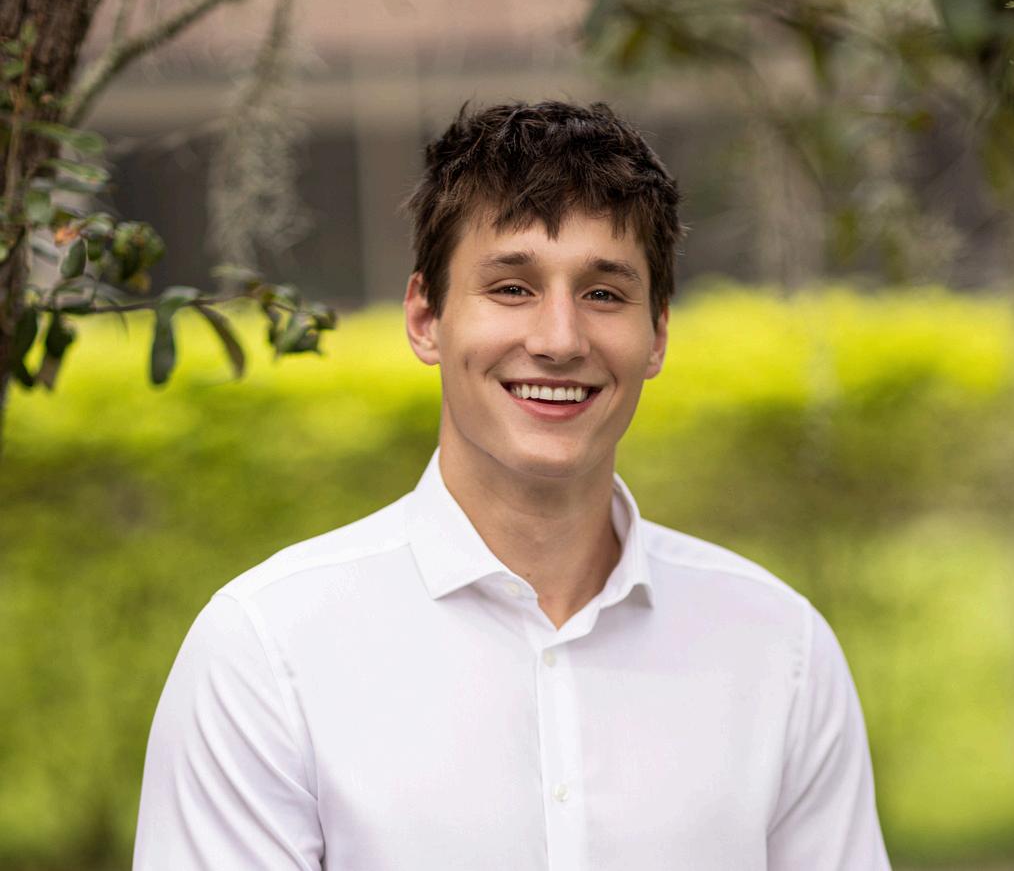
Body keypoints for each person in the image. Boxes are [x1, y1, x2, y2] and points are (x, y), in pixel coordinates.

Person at [133, 100, 891, 870]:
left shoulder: (780, 649)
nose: (559, 340)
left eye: (603, 293)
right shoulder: (267, 649)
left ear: (657, 334)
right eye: (511, 288)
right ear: (426, 317)